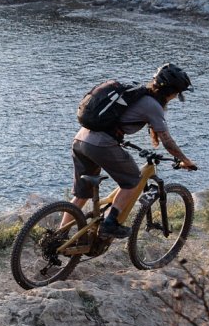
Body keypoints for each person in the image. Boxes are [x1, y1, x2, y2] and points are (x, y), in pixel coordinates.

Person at [72, 63, 198, 239]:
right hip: (100, 144)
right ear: (170, 92)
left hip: (81, 139)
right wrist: (185, 160)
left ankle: (59, 237)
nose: (176, 97)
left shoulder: (136, 93)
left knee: (81, 195)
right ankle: (110, 224)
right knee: (133, 180)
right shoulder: (153, 105)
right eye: (177, 93)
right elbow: (167, 141)